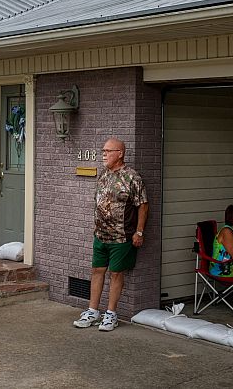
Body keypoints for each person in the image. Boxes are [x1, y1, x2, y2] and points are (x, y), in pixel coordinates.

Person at [73, 138, 149, 332]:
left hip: (122, 237)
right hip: (100, 236)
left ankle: (111, 314)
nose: (104, 154)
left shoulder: (132, 177)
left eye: (108, 150)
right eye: (103, 150)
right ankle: (92, 311)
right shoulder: (104, 175)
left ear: (120, 153)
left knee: (116, 274)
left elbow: (143, 205)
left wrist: (139, 232)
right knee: (97, 271)